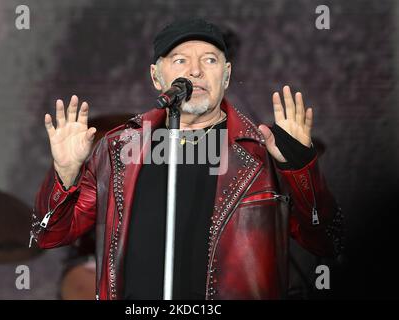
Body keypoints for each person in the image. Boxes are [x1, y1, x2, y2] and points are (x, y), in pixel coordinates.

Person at [31, 18, 343, 300]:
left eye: (210, 60)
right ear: (156, 76)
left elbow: (328, 239)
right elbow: (48, 235)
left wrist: (301, 169)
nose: (195, 71)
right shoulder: (118, 150)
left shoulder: (261, 152)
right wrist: (65, 174)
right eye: (180, 60)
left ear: (227, 75)